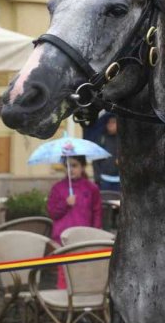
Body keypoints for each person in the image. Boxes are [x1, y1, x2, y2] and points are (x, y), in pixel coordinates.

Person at [47, 156, 104, 287]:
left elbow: (97, 212)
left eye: (74, 165)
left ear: (82, 166)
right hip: (62, 238)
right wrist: (65, 203)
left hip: (83, 238)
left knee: (83, 270)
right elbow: (52, 212)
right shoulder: (58, 188)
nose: (70, 169)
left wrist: (95, 234)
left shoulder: (91, 188)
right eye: (67, 166)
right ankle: (63, 299)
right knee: (64, 271)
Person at [93, 113, 120, 193]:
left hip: (120, 180)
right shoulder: (101, 138)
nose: (110, 124)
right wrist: (97, 178)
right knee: (105, 203)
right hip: (104, 180)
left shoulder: (123, 139)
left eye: (113, 122)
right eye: (109, 122)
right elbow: (95, 159)